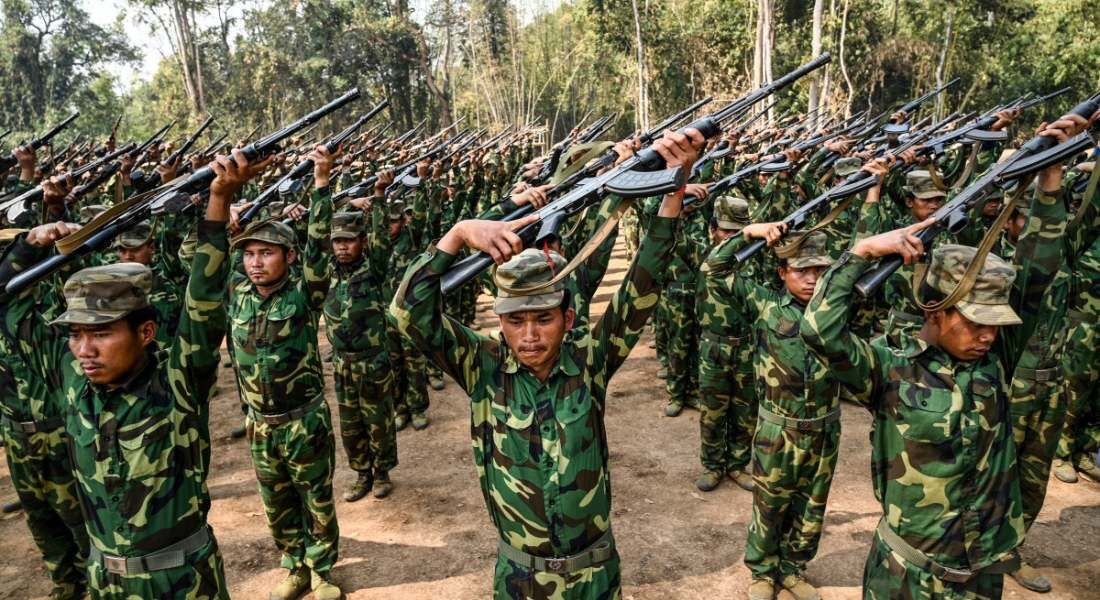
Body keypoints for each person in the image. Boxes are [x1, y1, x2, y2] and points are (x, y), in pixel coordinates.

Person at [391, 128, 703, 599]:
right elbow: (406, 312)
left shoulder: (589, 362)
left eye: (544, 319)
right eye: (516, 321)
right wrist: (458, 234)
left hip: (594, 577)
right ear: (499, 322)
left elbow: (643, 280)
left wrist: (674, 185)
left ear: (568, 317)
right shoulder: (483, 367)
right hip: (521, 581)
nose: (531, 335)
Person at [799, 111, 1090, 599]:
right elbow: (819, 331)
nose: (986, 335)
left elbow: (1037, 272)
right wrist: (861, 252)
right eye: (973, 321)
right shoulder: (891, 369)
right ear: (933, 310)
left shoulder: (997, 360)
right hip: (906, 576)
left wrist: (1052, 173)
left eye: (995, 324)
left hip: (981, 571)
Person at [0, 147, 270, 599]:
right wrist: (31, 243)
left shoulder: (177, 383)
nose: (85, 350)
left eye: (102, 333)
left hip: (182, 583)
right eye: (75, 335)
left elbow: (203, 303)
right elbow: (8, 300)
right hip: (105, 582)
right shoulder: (72, 384)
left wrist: (219, 201)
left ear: (146, 331)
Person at [227, 145, 342, 600]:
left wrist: (321, 184)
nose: (256, 262)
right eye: (250, 253)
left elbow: (318, 245)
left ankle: (322, 571)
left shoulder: (303, 294)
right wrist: (220, 215)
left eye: (267, 253)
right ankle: (294, 565)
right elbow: (197, 259)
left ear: (288, 257)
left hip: (303, 421)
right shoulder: (236, 294)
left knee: (316, 498)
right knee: (276, 503)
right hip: (260, 426)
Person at [711, 223, 838, 600]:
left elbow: (863, 257)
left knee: (811, 507)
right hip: (777, 429)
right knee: (770, 505)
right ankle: (764, 572)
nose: (812, 279)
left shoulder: (836, 308)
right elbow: (715, 270)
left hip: (824, 430)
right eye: (803, 270)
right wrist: (749, 233)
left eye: (819, 271)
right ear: (783, 272)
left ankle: (793, 569)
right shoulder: (765, 303)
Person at [323, 177, 399, 502]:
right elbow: (310, 226)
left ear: (362, 241)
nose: (342, 246)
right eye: (337, 240)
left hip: (373, 361)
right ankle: (361, 473)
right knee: (350, 424)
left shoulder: (373, 268)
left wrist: (379, 197)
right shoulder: (325, 272)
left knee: (378, 420)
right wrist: (343, 202)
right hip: (342, 364)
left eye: (350, 240)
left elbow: (382, 239)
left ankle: (382, 472)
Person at [695, 195, 757, 492]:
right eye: (726, 230)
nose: (730, 237)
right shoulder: (708, 258)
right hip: (714, 347)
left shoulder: (754, 262)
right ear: (713, 230)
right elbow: (715, 264)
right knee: (713, 412)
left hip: (747, 346)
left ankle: (737, 464)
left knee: (746, 412)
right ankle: (712, 465)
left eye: (738, 231)